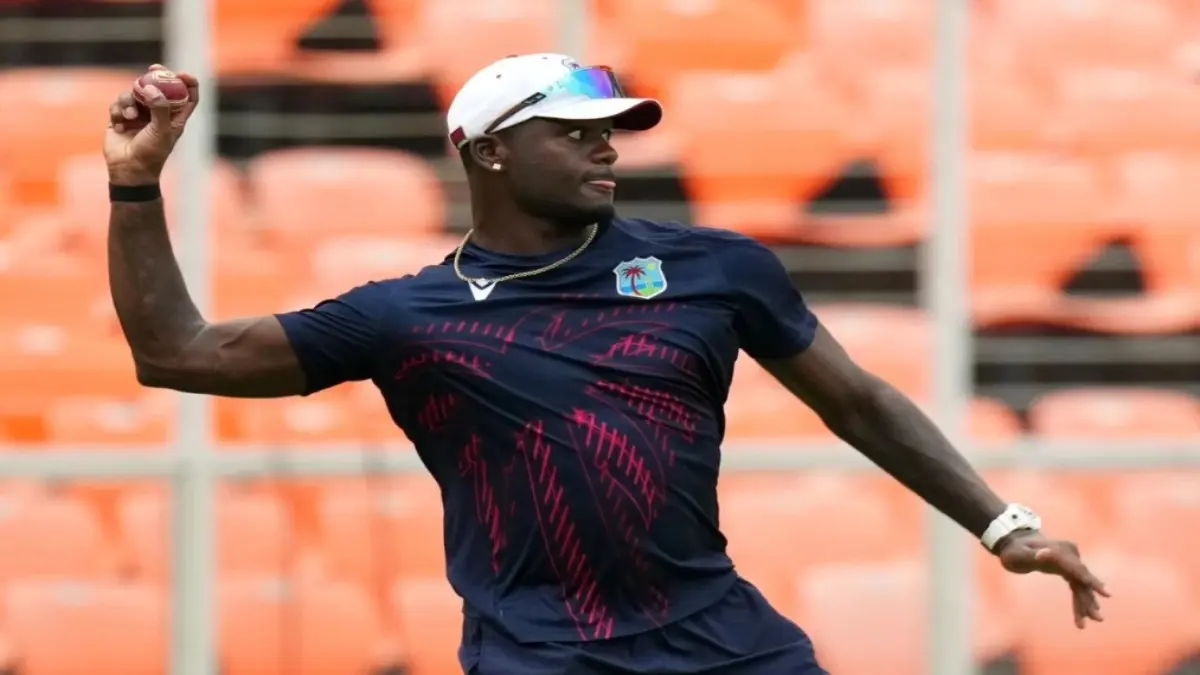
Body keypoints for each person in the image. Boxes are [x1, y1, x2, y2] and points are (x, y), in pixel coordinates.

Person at [104, 57, 1108, 675]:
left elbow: (858, 401)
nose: (608, 150)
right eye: (576, 132)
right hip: (542, 656)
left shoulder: (717, 267)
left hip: (726, 642)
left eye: (614, 132)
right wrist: (137, 188)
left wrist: (1005, 526)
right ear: (488, 153)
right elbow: (176, 353)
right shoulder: (406, 315)